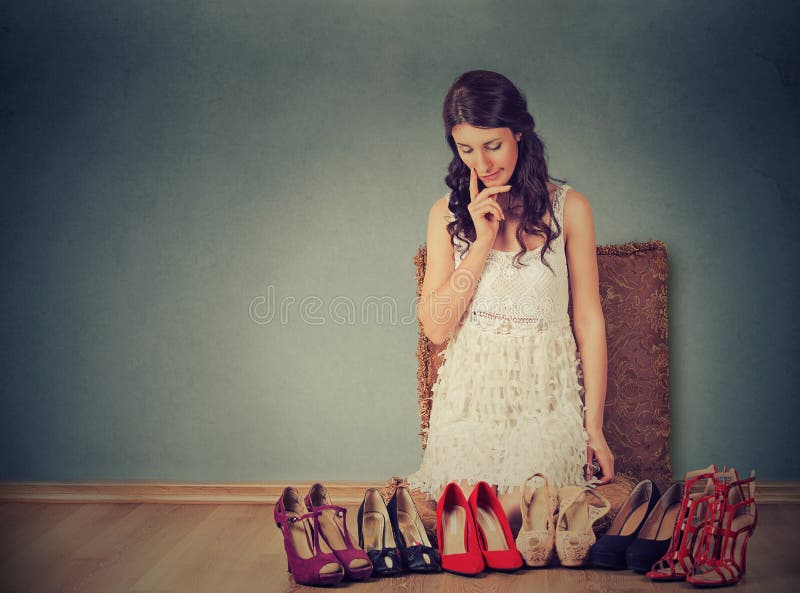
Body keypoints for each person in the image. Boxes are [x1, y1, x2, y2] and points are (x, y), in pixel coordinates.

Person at [406, 70, 615, 532]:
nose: (481, 162)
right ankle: (485, 526)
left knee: (532, 490)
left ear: (519, 132)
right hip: (471, 398)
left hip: (546, 397)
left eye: (493, 145)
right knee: (465, 496)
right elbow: (438, 328)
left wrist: (593, 427)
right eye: (466, 149)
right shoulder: (445, 214)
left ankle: (489, 526)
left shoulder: (570, 208)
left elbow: (588, 319)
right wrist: (480, 242)